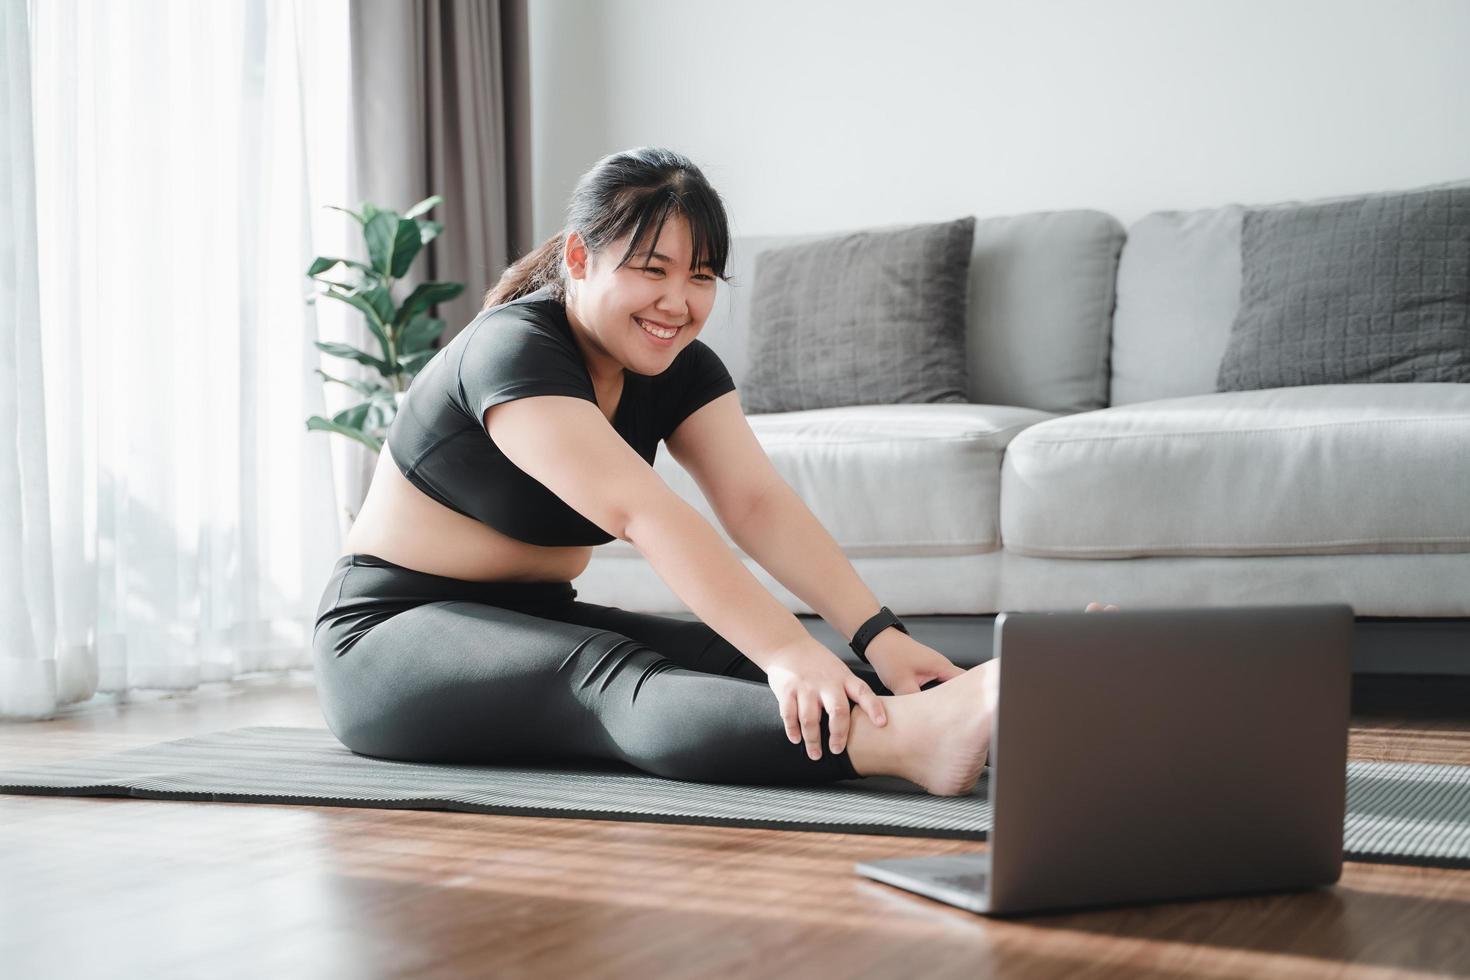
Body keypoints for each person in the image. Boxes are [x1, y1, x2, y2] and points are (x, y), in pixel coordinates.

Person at [312, 146, 1118, 796]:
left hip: (534, 622)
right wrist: (788, 654)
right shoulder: (513, 350)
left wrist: (878, 637)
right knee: (613, 676)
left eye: (701, 276)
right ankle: (912, 742)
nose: (678, 301)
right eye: (652, 269)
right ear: (579, 258)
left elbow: (756, 503)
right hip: (388, 640)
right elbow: (644, 514)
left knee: (730, 656)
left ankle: (991, 724)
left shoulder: (679, 368)